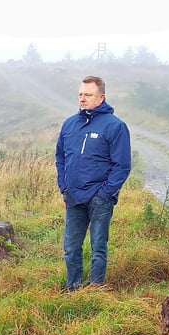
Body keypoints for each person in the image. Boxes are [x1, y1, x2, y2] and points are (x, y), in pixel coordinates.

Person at [54, 76, 132, 291]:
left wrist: (105, 193)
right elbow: (60, 156)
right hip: (73, 196)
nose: (82, 98)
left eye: (88, 95)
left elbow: (122, 165)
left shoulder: (115, 126)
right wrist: (64, 185)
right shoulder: (70, 124)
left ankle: (95, 290)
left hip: (99, 198)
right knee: (71, 248)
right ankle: (74, 289)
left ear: (101, 97)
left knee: (98, 247)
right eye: (80, 94)